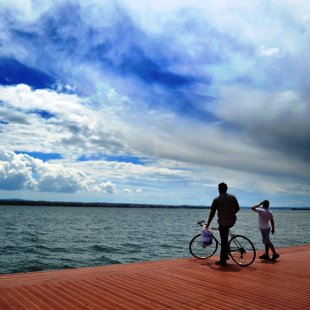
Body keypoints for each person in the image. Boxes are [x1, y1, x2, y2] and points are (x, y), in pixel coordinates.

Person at [206, 182, 240, 266]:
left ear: (219, 189)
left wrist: (208, 223)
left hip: (223, 222)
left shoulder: (217, 199)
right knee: (225, 238)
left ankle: (223, 260)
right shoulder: (232, 197)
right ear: (226, 189)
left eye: (218, 188)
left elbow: (212, 213)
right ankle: (226, 254)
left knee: (223, 241)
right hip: (232, 220)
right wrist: (231, 214)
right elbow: (238, 208)